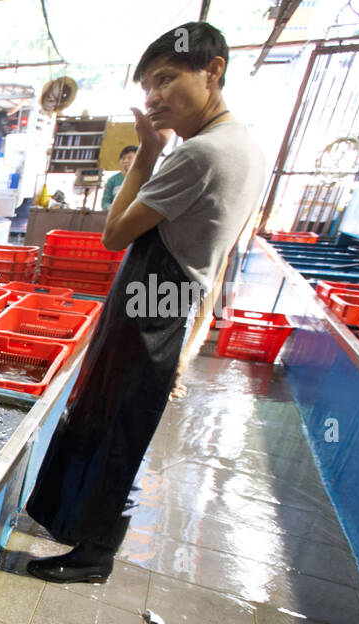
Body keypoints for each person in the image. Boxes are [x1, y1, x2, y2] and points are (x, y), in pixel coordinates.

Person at [24, 21, 265, 583]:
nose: (153, 96)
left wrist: (147, 155)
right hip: (171, 300)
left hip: (150, 305)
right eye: (147, 85)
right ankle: (72, 525)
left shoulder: (199, 154)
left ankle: (92, 556)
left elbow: (113, 234)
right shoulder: (245, 146)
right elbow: (221, 257)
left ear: (214, 73)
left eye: (165, 79)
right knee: (113, 419)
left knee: (113, 427)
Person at [102, 145, 138, 209]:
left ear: (138, 159)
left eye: (130, 158)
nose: (125, 161)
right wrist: (111, 209)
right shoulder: (112, 180)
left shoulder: (144, 179)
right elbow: (105, 202)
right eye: (123, 158)